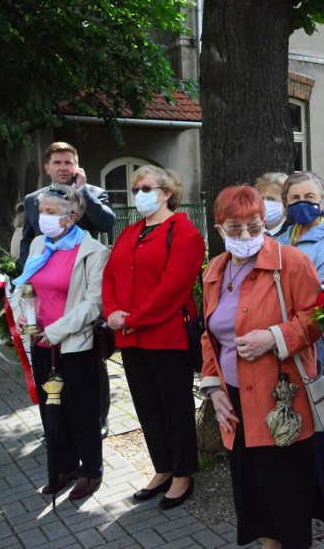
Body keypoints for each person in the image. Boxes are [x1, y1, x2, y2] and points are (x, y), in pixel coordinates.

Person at [199, 185, 324, 548]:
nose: (246, 236)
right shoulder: (214, 269)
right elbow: (208, 336)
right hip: (235, 401)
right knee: (254, 497)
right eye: (236, 228)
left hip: (281, 402)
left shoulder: (290, 262)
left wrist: (273, 337)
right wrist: (213, 389)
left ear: (266, 223)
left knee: (286, 497)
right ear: (219, 229)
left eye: (254, 227)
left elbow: (319, 316)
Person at [101, 165, 204, 510]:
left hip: (165, 334)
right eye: (136, 188)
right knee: (146, 407)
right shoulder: (129, 233)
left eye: (147, 188)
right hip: (130, 337)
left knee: (175, 408)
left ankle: (183, 474)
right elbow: (111, 276)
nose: (140, 194)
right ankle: (162, 468)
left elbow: (174, 286)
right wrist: (113, 313)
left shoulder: (185, 232)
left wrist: (135, 318)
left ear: (166, 193)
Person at [12, 185, 110, 500]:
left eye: (49, 213)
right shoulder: (40, 243)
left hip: (73, 345)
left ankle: (91, 471)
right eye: (41, 212)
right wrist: (22, 317)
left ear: (70, 218)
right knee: (52, 411)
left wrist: (55, 330)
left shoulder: (93, 251)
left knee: (82, 410)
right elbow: (22, 284)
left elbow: (95, 303)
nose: (42, 219)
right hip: (40, 344)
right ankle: (63, 466)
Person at [20, 142, 116, 438]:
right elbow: (27, 237)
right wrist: (28, 271)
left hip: (82, 287)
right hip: (47, 290)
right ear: (47, 167)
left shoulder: (94, 193)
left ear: (77, 166)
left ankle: (99, 416)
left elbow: (107, 222)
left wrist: (84, 190)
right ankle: (58, 419)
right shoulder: (34, 200)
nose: (63, 167)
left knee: (91, 356)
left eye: (68, 162)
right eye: (57, 162)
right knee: (53, 358)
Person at [275, 171, 324, 539]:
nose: (302, 202)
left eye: (310, 195)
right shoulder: (280, 237)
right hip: (279, 347)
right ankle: (303, 505)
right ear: (286, 204)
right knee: (293, 428)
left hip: (314, 350)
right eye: (294, 197)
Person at [254, 172, 291, 237]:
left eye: (271, 199)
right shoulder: (250, 231)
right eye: (261, 198)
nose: (264, 203)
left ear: (286, 202)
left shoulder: (294, 231)